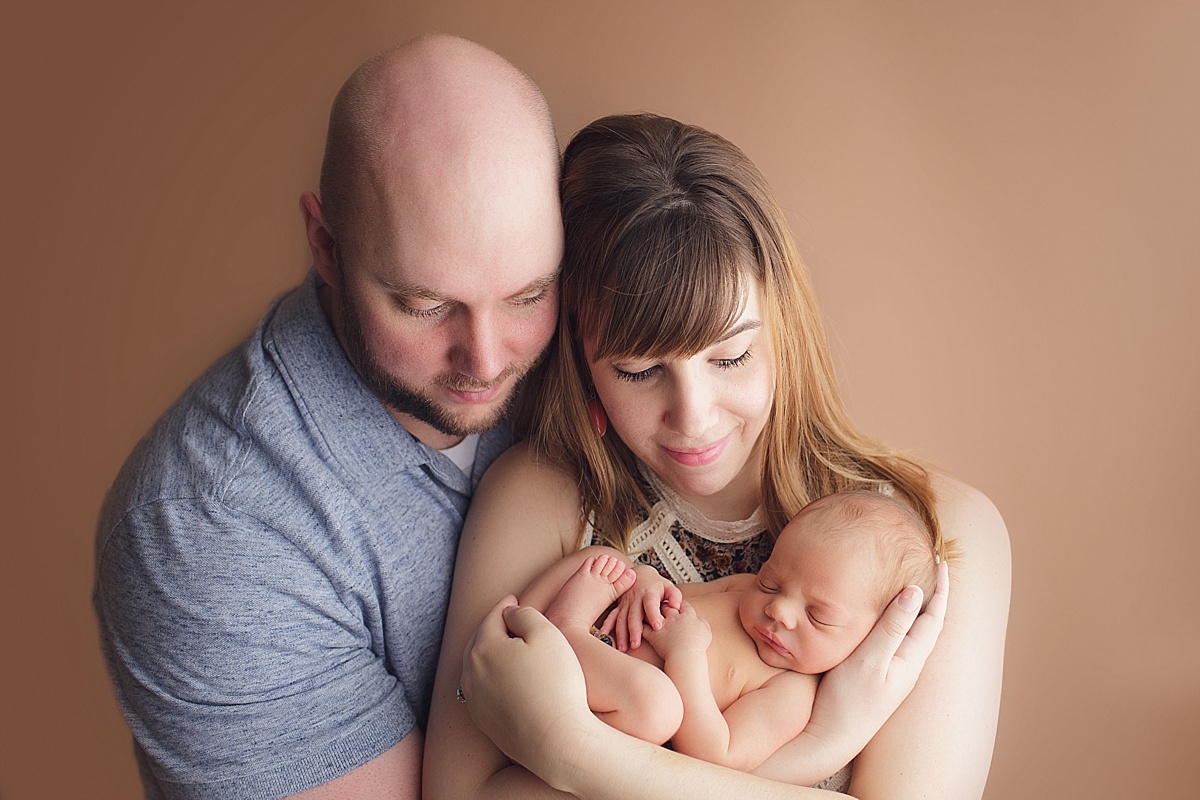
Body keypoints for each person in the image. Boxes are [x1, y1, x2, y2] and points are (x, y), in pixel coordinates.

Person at [424, 113, 1010, 798]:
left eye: (730, 356)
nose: (693, 417)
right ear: (582, 365)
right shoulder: (539, 497)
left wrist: (570, 750)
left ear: (782, 329)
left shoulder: (939, 536)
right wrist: (823, 747)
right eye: (640, 372)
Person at [92, 35, 562, 799]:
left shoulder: (593, 350)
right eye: (424, 305)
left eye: (527, 295)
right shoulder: (212, 531)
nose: (485, 358)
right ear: (324, 245)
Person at [520, 490, 940, 774]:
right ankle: (518, 623)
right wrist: (645, 582)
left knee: (657, 707)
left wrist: (684, 656)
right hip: (601, 639)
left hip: (600, 704)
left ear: (871, 639)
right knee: (608, 561)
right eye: (771, 582)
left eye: (818, 616)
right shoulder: (741, 588)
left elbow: (716, 755)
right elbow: (671, 595)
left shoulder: (791, 691)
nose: (778, 609)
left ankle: (560, 632)